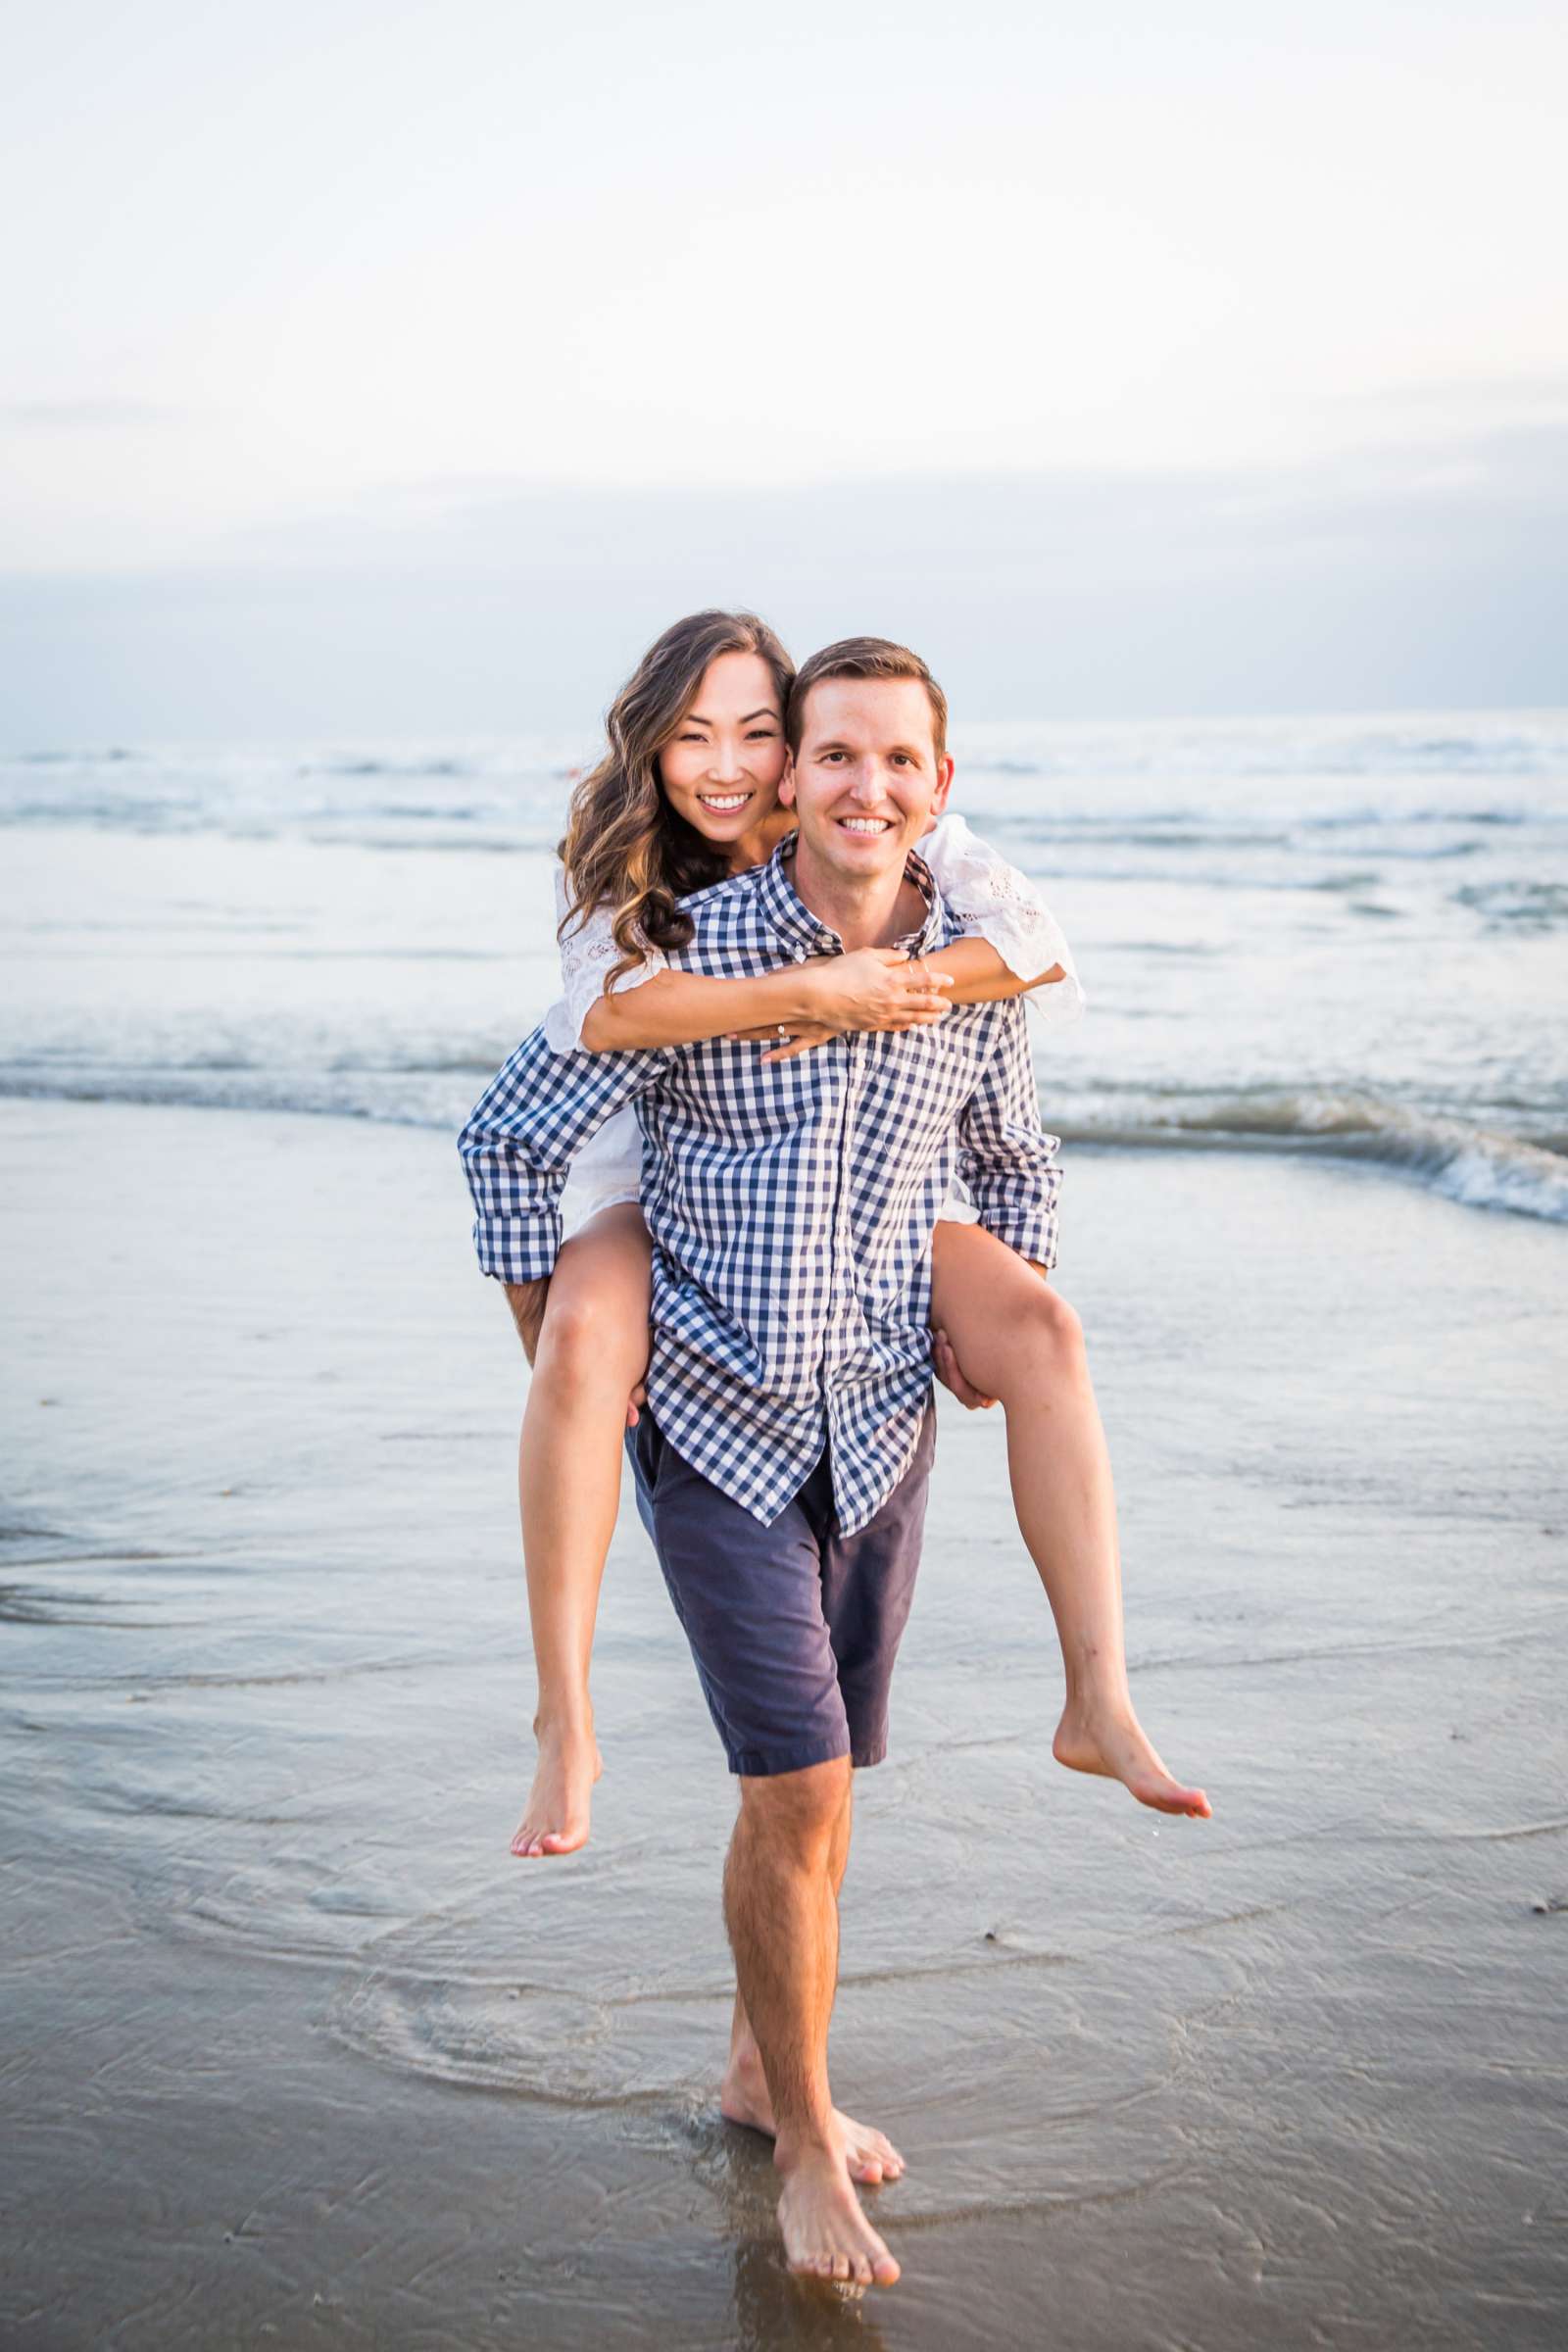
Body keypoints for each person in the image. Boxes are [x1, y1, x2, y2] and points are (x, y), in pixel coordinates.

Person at [460, 637, 1211, 2288]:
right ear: (788, 780)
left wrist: (983, 1311)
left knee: (823, 1787)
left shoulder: (971, 952)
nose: (860, 786)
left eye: (899, 762)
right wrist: (572, 1356)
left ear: (938, 788)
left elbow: (1013, 1145)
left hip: (879, 1418)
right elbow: (511, 1131)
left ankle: (1087, 1714)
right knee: (795, 1789)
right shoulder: (688, 953)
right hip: (717, 1415)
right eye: (831, 757)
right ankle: (800, 2139)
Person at [507, 612, 1207, 1861]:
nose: (726, 766)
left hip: (872, 1196)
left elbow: (1032, 977)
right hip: (648, 1177)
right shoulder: (638, 892)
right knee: (578, 1338)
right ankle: (566, 1721)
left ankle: (1097, 1696)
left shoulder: (892, 832)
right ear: (654, 747)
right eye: (692, 737)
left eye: (757, 733)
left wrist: (903, 986)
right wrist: (808, 993)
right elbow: (592, 1041)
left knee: (1042, 1327)